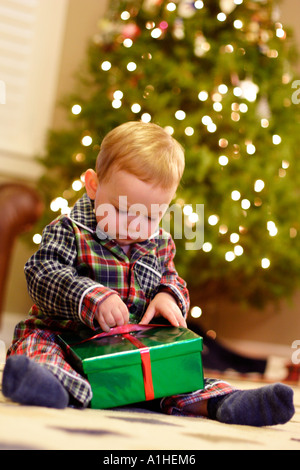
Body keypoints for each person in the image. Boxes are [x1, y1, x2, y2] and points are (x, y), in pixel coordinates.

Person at [2, 122, 294, 426]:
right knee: (39, 351)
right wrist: (93, 297)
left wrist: (169, 295)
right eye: (122, 210)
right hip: (65, 337)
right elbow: (41, 271)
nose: (134, 226)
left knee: (174, 377)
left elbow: (171, 277)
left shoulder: (158, 242)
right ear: (93, 185)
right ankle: (49, 387)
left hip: (129, 350)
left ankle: (224, 403)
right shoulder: (70, 230)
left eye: (150, 216)